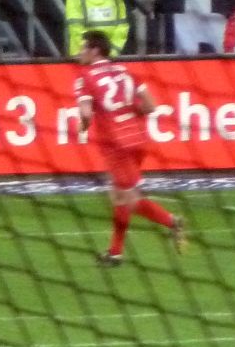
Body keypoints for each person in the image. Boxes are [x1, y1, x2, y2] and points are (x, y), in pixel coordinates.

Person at [74, 31, 186, 265]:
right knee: (120, 196)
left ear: (95, 50)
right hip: (139, 140)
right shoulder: (126, 71)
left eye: (83, 48)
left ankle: (171, 221)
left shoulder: (84, 77)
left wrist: (83, 127)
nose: (79, 53)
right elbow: (151, 105)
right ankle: (115, 253)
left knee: (126, 197)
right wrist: (128, 114)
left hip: (116, 145)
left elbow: (85, 113)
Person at [63, 0, 130, 57]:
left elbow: (75, 30)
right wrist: (112, 53)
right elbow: (122, 31)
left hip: (80, 60)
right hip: (108, 59)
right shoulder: (116, 0)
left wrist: (87, 54)